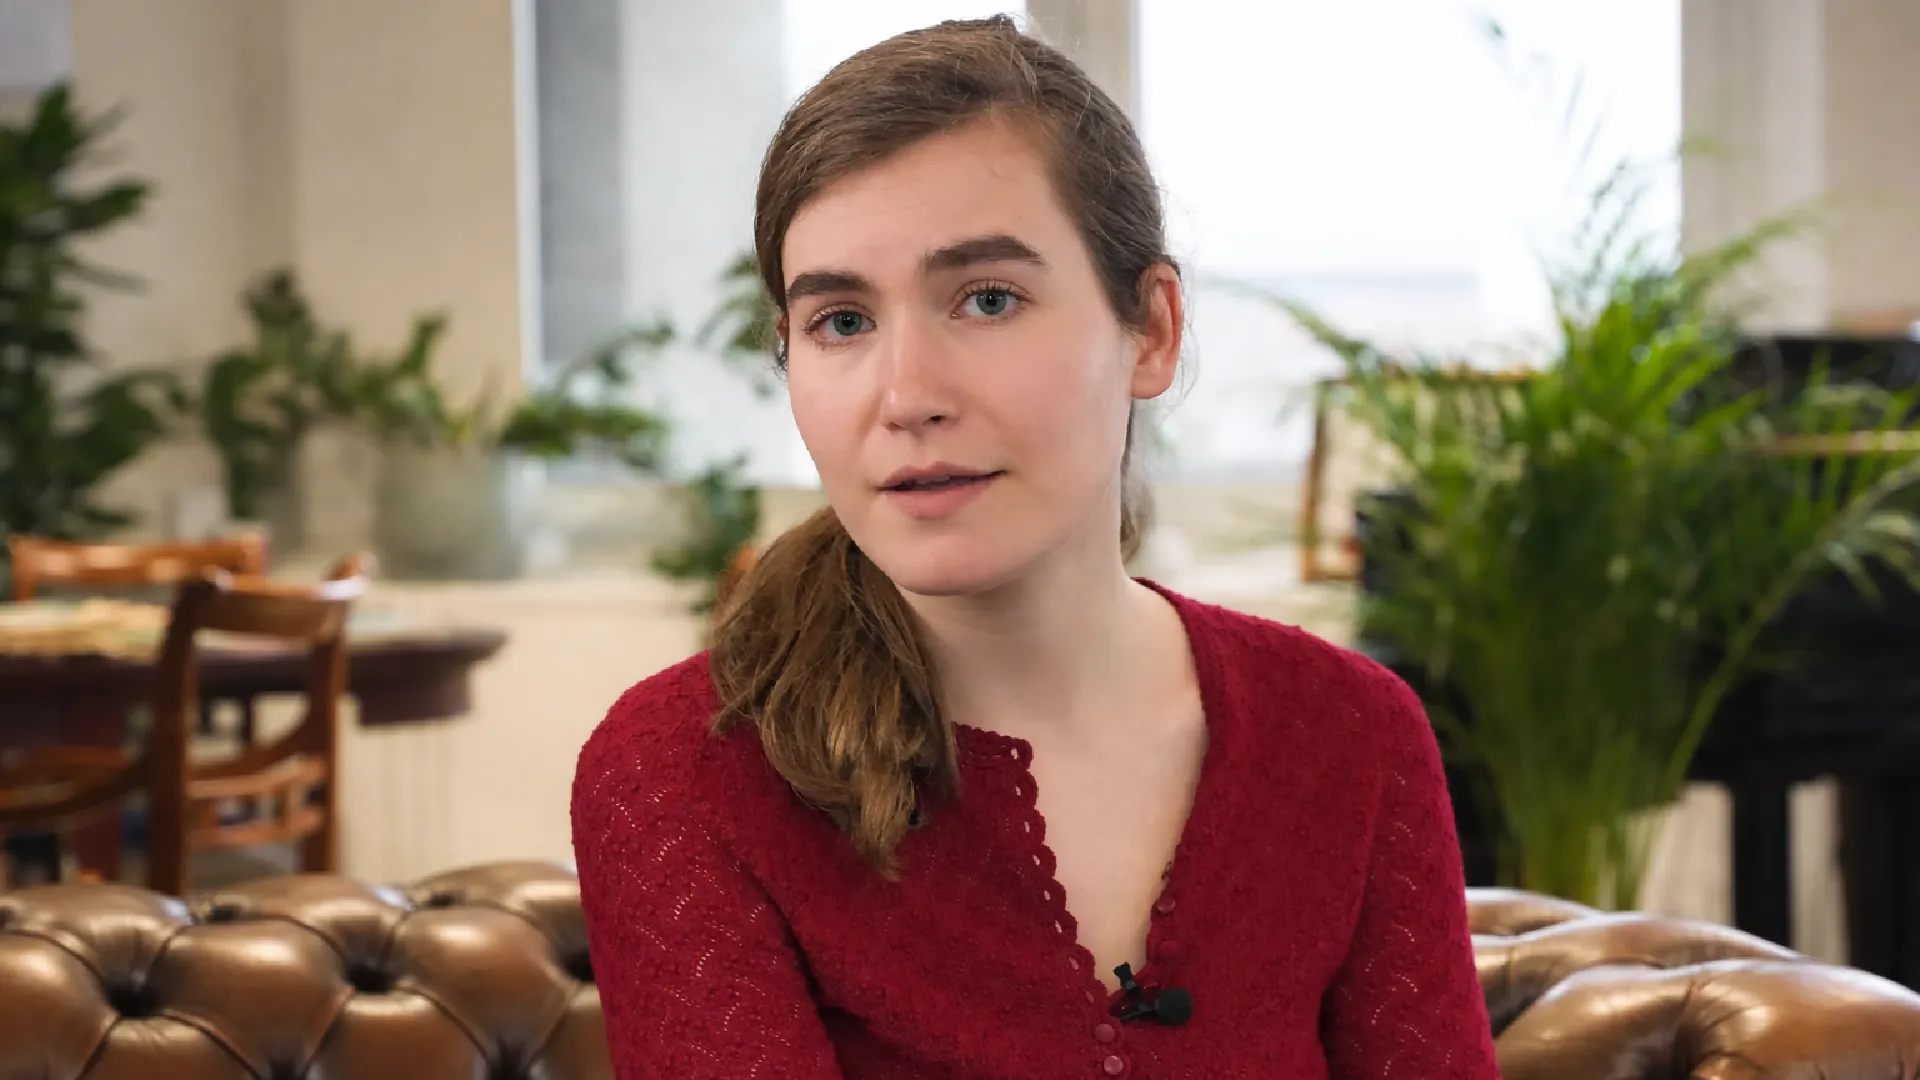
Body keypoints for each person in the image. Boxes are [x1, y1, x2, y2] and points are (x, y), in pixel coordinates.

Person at [572, 15, 1499, 1079]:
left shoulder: (1351, 738)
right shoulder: (679, 775)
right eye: (841, 322)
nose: (907, 397)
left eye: (988, 299)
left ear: (1152, 329)